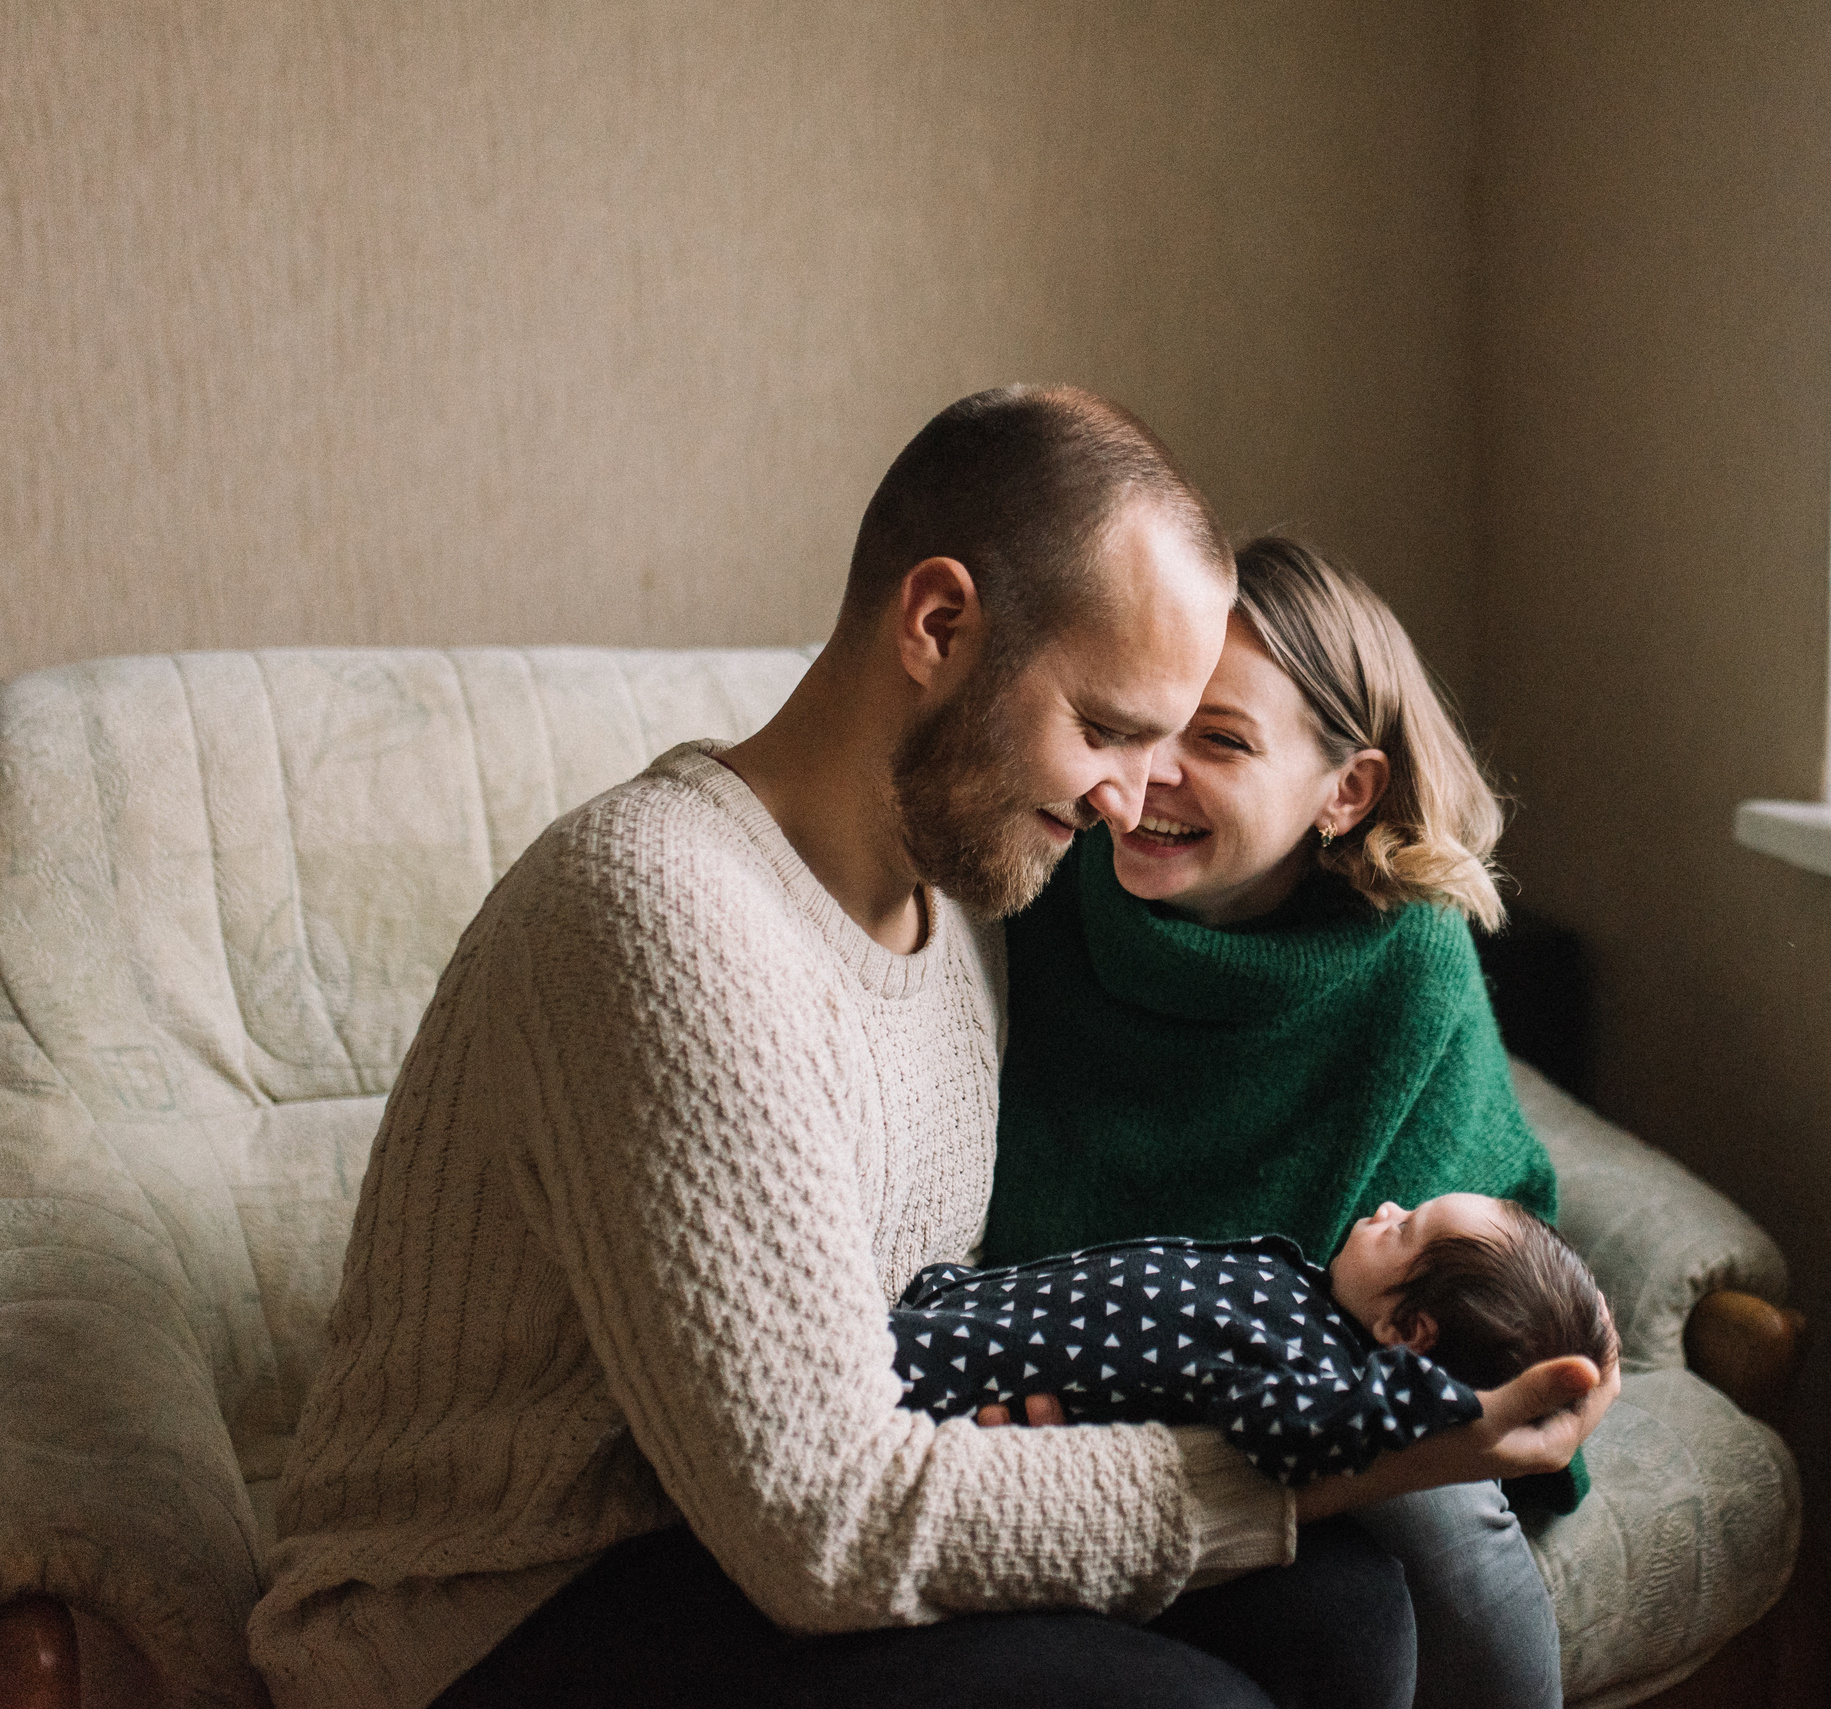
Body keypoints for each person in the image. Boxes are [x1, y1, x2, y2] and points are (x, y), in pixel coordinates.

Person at [246, 388, 1615, 1709]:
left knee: (1348, 1613)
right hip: (505, 1606)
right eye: (1108, 729)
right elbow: (826, 1523)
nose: (1132, 799)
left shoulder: (967, 906)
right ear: (941, 623)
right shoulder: (659, 912)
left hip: (739, 1530)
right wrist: (1309, 1477)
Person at [982, 534, 1587, 1709]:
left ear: (1344, 789)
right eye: (1143, 722)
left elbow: (1440, 1283)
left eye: (1219, 740)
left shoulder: (1403, 955)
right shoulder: (1035, 886)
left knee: (1418, 1513)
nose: (1149, 774)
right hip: (1099, 1356)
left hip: (1337, 1368)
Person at [892, 1195, 1620, 1485]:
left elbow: (1282, 1428)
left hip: (957, 1384)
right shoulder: (1307, 1293)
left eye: (1405, 1230)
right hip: (972, 1306)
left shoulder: (1320, 1375)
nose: (1388, 1207)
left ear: (1406, 1335)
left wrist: (1419, 1404)